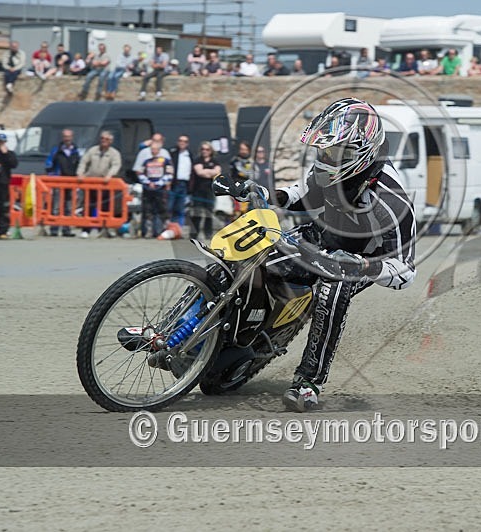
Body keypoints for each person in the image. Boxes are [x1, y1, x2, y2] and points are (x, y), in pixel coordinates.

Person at [212, 98, 416, 412]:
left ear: (361, 152)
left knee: (332, 288)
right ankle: (177, 327)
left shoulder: (392, 198)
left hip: (358, 260)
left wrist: (361, 266)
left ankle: (309, 382)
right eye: (323, 152)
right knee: (248, 254)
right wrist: (267, 194)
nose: (326, 159)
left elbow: (405, 270)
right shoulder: (332, 164)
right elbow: (305, 194)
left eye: (333, 153)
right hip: (319, 236)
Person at [76, 131, 122, 238]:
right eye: (102, 138)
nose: (104, 141)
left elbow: (116, 165)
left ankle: (102, 228)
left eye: (106, 139)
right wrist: (80, 173)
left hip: (105, 185)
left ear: (111, 141)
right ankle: (86, 229)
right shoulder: (93, 150)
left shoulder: (114, 153)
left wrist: (109, 175)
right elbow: (83, 162)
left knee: (104, 207)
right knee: (88, 205)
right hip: (90, 183)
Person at [45, 129, 81, 237]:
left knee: (68, 207)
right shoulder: (56, 150)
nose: (67, 139)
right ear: (62, 138)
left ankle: (67, 229)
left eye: (69, 136)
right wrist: (52, 177)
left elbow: (79, 165)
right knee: (56, 206)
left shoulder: (76, 151)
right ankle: (54, 229)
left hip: (71, 182)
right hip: (58, 182)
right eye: (65, 136)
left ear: (72, 137)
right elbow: (49, 164)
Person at [137, 142, 173, 238]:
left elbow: (169, 174)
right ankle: (149, 231)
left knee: (163, 210)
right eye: (152, 149)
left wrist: (159, 183)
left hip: (161, 190)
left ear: (159, 150)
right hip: (148, 190)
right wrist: (148, 183)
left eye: (155, 149)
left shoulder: (165, 161)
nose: (153, 151)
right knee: (148, 210)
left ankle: (164, 230)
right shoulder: (146, 161)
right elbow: (140, 174)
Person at [189, 141, 221, 239]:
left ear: (211, 151)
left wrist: (206, 171)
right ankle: (194, 234)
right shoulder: (197, 160)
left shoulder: (215, 161)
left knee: (209, 212)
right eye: (203, 149)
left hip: (210, 190)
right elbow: (200, 172)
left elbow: (218, 172)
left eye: (207, 149)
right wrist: (210, 172)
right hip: (198, 189)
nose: (204, 151)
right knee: (197, 212)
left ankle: (208, 233)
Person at [168, 135, 193, 228]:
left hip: (184, 184)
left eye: (185, 141)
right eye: (180, 140)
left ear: (187, 143)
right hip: (173, 183)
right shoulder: (172, 153)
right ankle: (168, 227)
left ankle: (178, 228)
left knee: (181, 208)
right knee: (169, 207)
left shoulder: (189, 154)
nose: (182, 143)